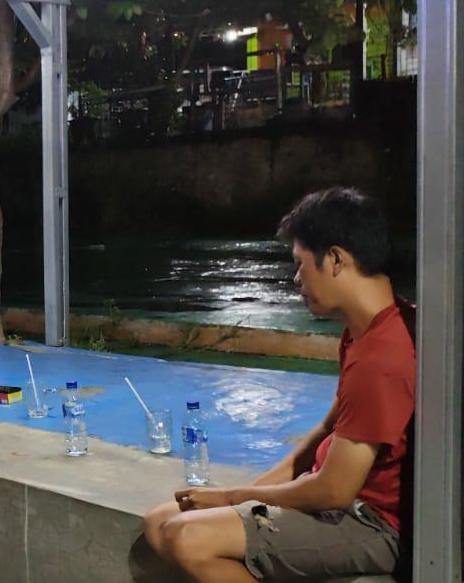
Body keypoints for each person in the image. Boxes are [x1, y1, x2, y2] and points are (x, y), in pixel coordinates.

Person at [144, 187, 414, 581]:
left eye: (301, 264)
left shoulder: (382, 357)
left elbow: (334, 490)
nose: (296, 279)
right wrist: (240, 504)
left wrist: (233, 497)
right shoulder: (364, 332)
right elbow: (326, 431)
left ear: (336, 259)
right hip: (337, 501)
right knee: (158, 523)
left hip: (372, 522)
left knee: (187, 537)